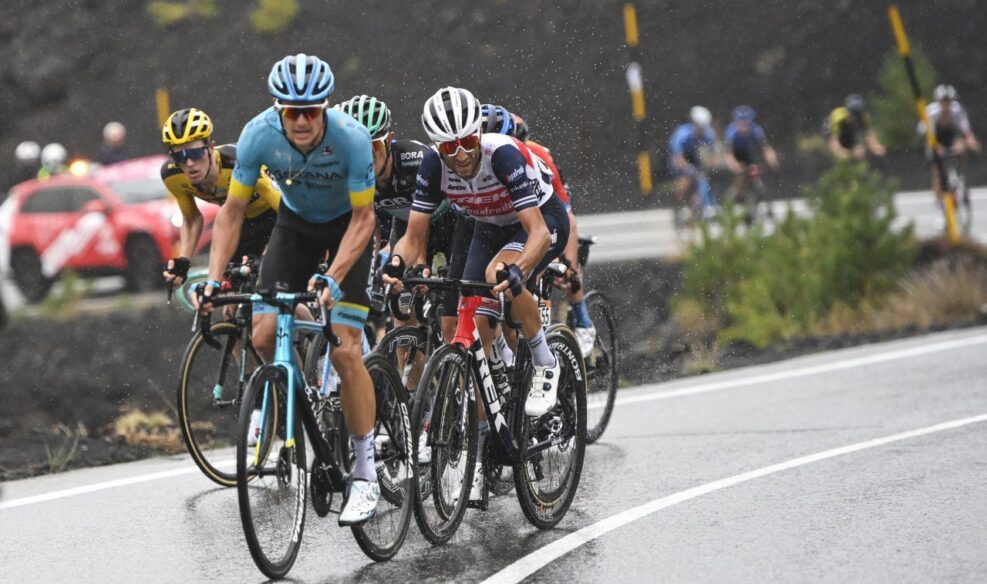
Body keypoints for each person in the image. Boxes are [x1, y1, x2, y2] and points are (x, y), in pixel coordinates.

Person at [196, 53, 380, 525]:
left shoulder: (352, 138)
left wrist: (333, 275)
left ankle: (365, 472)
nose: (301, 121)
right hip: (295, 226)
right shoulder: (258, 134)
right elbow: (231, 212)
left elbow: (365, 218)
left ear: (325, 106)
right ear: (278, 108)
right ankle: (306, 402)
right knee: (261, 335)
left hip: (347, 227)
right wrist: (213, 280)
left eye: (310, 110)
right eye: (291, 111)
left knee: (346, 350)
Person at [384, 87, 570, 500]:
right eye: (450, 147)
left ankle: (545, 360)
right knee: (473, 323)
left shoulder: (501, 155)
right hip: (487, 224)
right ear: (437, 146)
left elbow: (538, 233)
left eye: (468, 141)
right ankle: (485, 438)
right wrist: (396, 263)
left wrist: (520, 270)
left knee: (497, 273)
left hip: (539, 220)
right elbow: (413, 236)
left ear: (478, 135)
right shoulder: (433, 166)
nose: (462, 154)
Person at [335, 94, 467, 341]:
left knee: (453, 317)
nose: (366, 155)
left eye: (373, 146)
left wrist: (421, 263)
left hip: (451, 224)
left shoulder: (415, 160)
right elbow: (367, 226)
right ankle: (407, 366)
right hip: (406, 227)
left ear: (389, 140)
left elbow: (422, 221)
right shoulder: (353, 174)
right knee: (402, 320)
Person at [482, 104, 596, 358]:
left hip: (550, 214)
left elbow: (566, 218)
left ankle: (582, 320)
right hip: (515, 221)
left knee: (563, 272)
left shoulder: (537, 156)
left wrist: (568, 263)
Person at [160, 108, 281, 286]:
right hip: (242, 223)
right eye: (179, 156)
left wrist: (268, 256)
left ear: (211, 146)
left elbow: (286, 209)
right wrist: (184, 260)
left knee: (274, 279)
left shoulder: (239, 162)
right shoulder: (173, 176)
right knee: (228, 288)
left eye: (195, 153)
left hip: (277, 217)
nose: (189, 163)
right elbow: (192, 219)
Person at [920, 84, 981, 196]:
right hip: (934, 137)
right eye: (943, 102)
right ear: (938, 102)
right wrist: (936, 147)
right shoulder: (931, 113)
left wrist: (971, 142)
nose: (946, 105)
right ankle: (939, 198)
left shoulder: (957, 110)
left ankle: (960, 175)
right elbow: (926, 135)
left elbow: (966, 131)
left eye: (949, 102)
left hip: (951, 135)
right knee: (937, 171)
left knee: (960, 147)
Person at [724, 105, 780, 204]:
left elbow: (766, 148)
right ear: (736, 122)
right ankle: (733, 197)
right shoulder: (731, 131)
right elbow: (728, 154)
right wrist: (735, 166)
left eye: (746, 123)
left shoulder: (756, 130)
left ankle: (759, 195)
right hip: (735, 155)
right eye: (741, 123)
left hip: (748, 154)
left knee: (755, 174)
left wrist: (772, 160)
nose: (744, 126)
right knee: (739, 175)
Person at [668, 106, 717, 219]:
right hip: (678, 158)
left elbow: (712, 154)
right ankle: (682, 207)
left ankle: (701, 203)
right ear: (694, 124)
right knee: (684, 182)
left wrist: (711, 166)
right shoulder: (681, 134)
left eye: (703, 128)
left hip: (693, 158)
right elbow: (678, 158)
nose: (701, 131)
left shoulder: (708, 134)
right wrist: (689, 169)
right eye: (700, 128)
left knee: (703, 179)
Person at [825, 94, 886, 160]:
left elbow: (870, 136)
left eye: (858, 115)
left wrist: (877, 148)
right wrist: (849, 154)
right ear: (847, 113)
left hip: (849, 137)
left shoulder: (864, 118)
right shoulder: (839, 119)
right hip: (834, 137)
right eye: (853, 115)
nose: (856, 118)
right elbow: (833, 142)